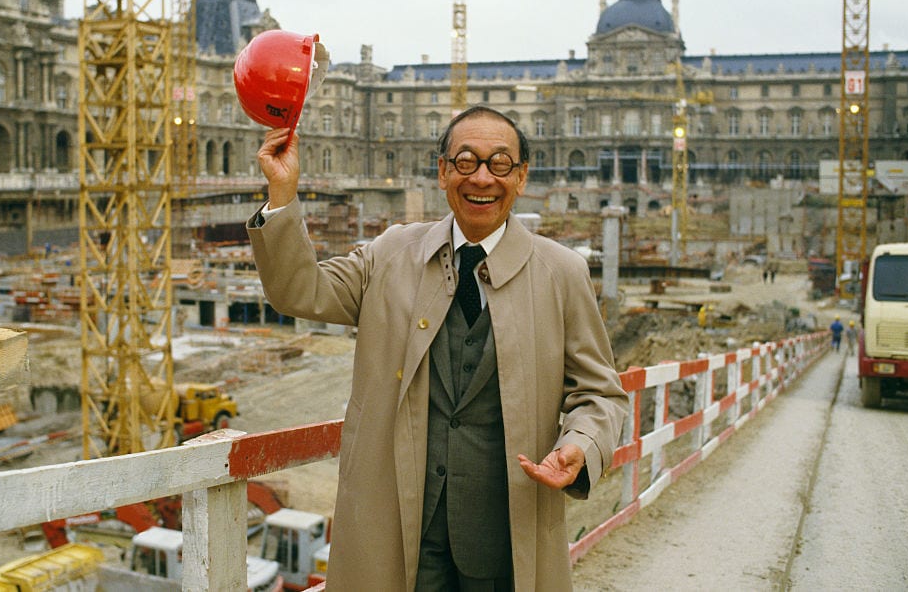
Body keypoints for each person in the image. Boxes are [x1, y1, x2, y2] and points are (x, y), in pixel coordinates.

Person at [248, 105, 628, 591]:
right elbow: (299, 291)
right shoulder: (390, 255)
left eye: (500, 164)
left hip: (504, 537)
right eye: (466, 161)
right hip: (402, 533)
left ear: (523, 177)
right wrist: (282, 195)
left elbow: (601, 394)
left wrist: (580, 443)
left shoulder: (562, 273)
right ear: (443, 171)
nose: (483, 178)